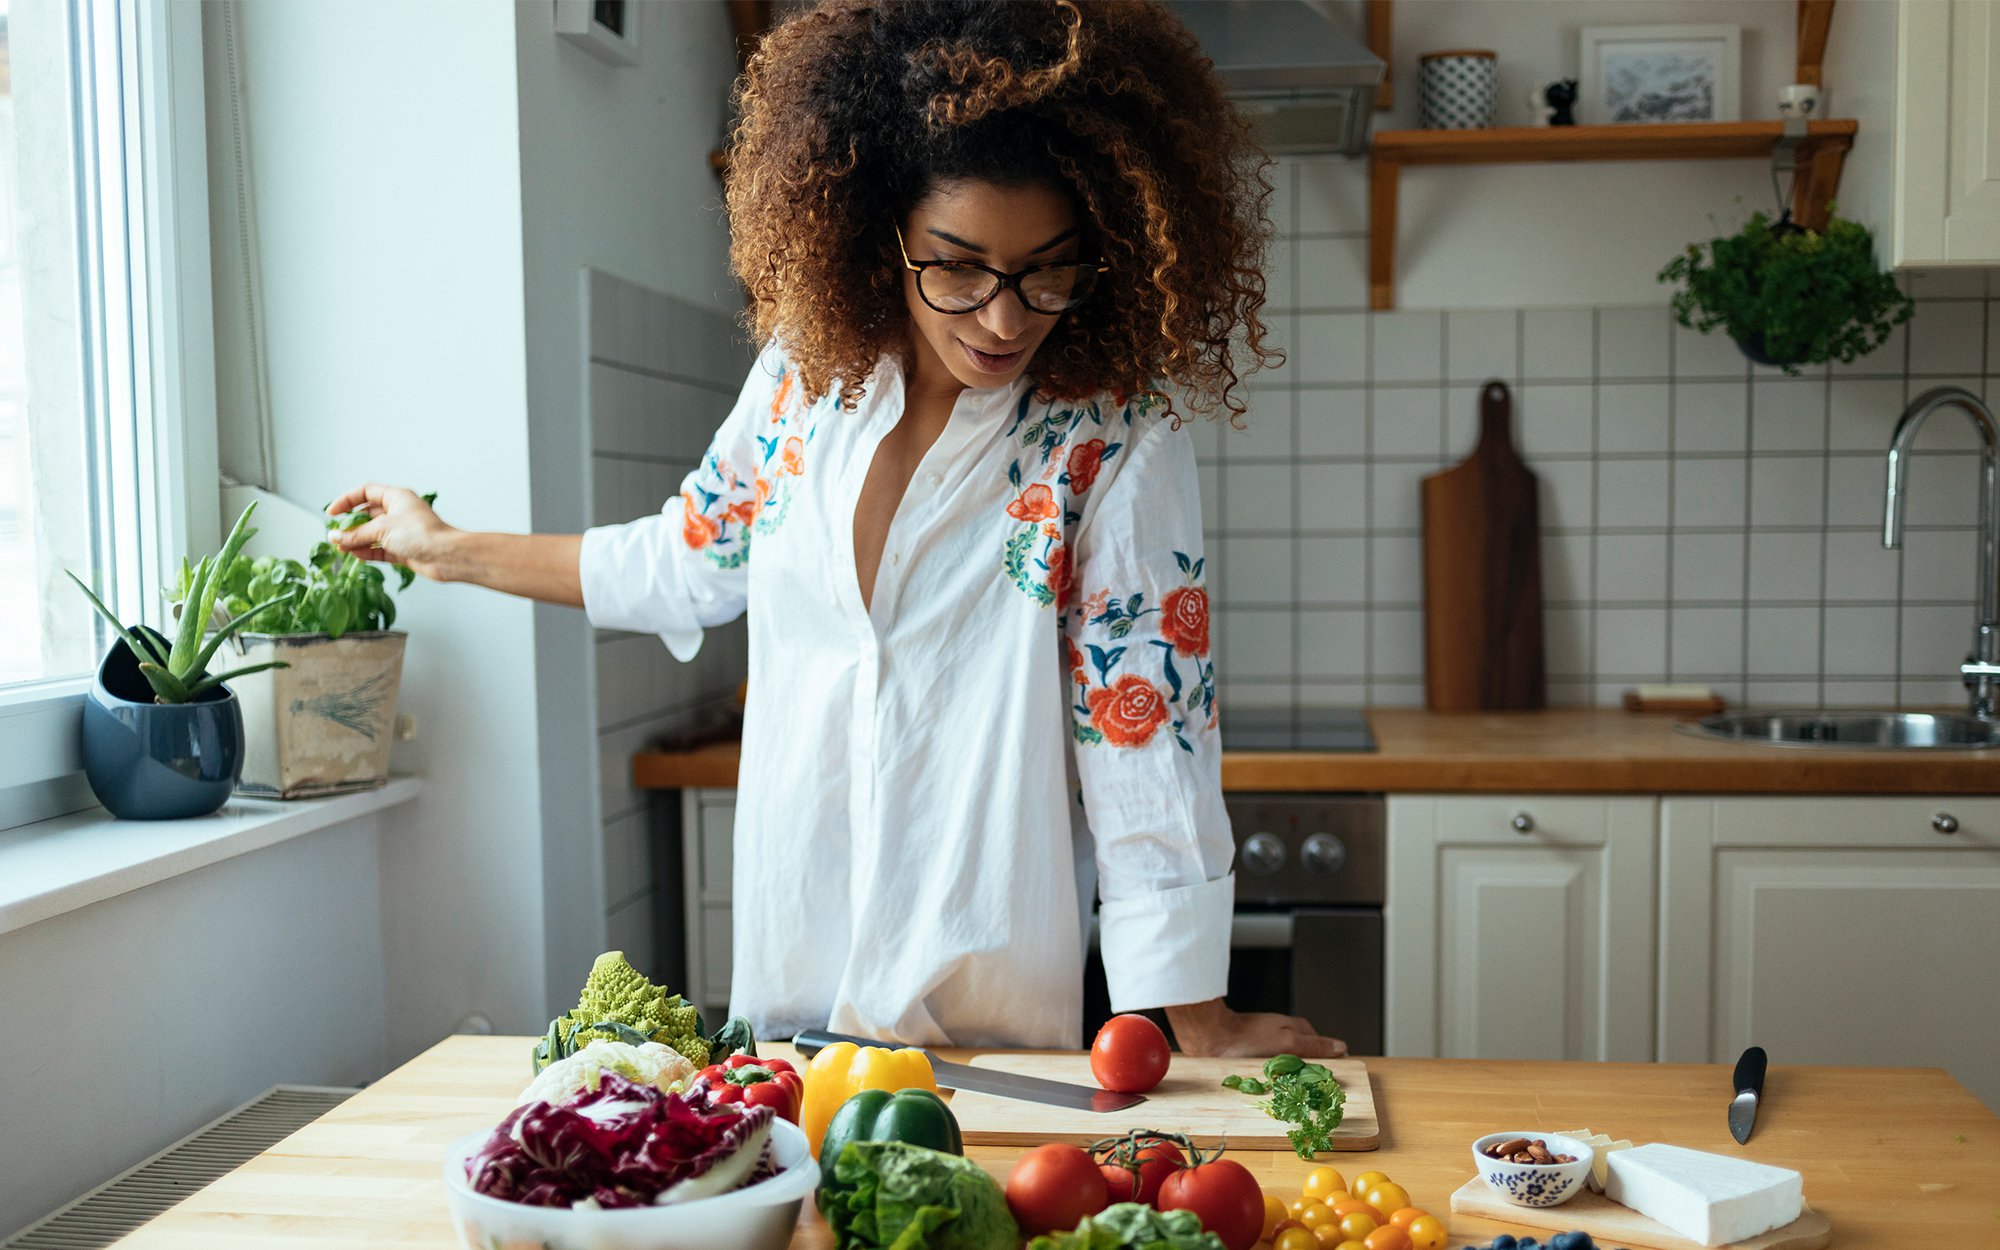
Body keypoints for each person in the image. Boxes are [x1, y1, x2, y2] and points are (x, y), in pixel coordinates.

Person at [330, 0, 1343, 1059]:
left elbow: (1142, 720)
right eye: (954, 266)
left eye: (1047, 267)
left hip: (986, 1018)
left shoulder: (1111, 432)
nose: (1004, 317)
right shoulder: (800, 386)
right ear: (880, 232)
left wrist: (1196, 1016)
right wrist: (441, 547)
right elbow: (683, 559)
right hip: (786, 1002)